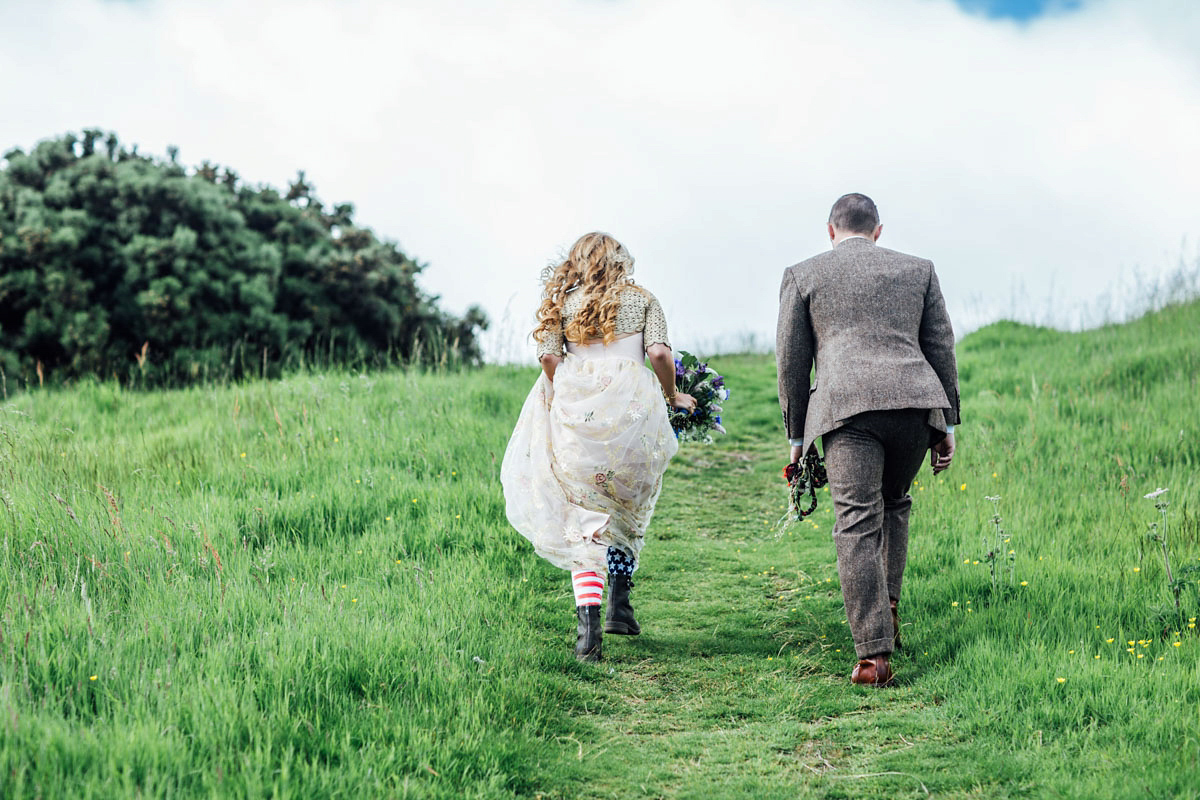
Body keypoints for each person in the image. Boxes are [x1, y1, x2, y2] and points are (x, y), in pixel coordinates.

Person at [776, 194, 960, 686]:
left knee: (856, 520)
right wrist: (947, 423)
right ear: (878, 230)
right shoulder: (918, 269)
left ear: (830, 230)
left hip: (846, 410)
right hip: (913, 410)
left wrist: (797, 437)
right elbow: (940, 344)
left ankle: (873, 657)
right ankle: (888, 612)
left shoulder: (803, 274)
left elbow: (792, 362)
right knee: (894, 503)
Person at [501, 232, 697, 662]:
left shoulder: (562, 305)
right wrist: (673, 395)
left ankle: (588, 635)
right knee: (629, 507)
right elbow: (661, 354)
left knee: (584, 521)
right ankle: (620, 606)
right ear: (621, 260)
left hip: (578, 421)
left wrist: (571, 391)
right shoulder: (643, 298)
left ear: (577, 262)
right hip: (632, 418)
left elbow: (549, 360)